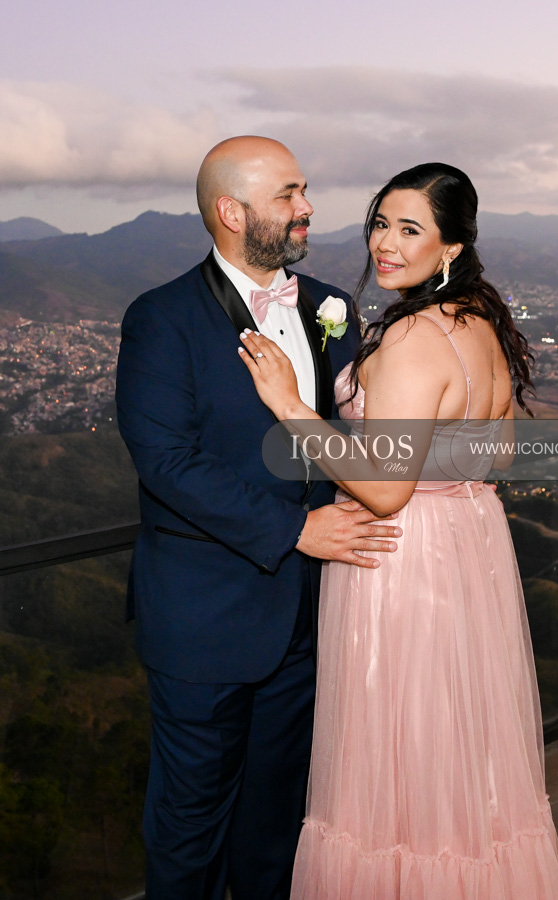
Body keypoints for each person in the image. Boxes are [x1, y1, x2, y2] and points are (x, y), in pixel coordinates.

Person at [239, 163, 558, 898]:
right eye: (380, 223)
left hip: (401, 561)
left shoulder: (415, 335)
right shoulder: (479, 323)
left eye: (409, 229)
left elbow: (386, 491)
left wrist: (290, 405)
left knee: (396, 767)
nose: (385, 243)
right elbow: (499, 454)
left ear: (450, 246)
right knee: (458, 766)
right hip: (467, 550)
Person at [115, 136, 403, 900]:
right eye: (287, 194)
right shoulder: (161, 318)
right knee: (189, 829)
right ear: (231, 212)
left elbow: (340, 436)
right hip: (204, 622)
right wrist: (295, 530)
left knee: (276, 821)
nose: (307, 207)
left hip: (307, 616)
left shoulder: (328, 306)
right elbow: (167, 462)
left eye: (303, 189)